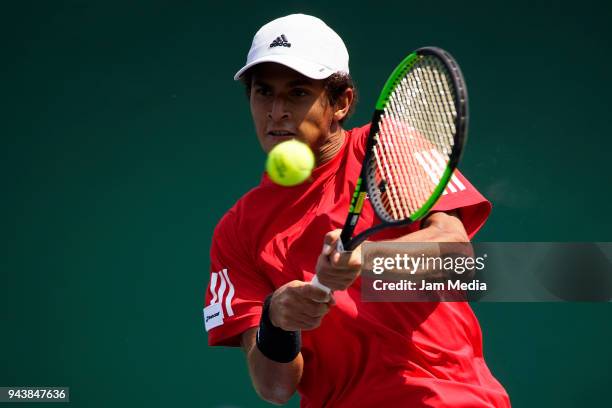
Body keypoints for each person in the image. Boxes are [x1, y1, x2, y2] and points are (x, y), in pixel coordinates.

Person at [204, 13, 510, 407]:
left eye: (297, 93)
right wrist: (277, 320)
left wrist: (365, 259)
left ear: (341, 103)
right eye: (264, 92)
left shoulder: (386, 146)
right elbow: (275, 389)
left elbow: (456, 255)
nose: (276, 110)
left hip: (445, 399)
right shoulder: (236, 231)